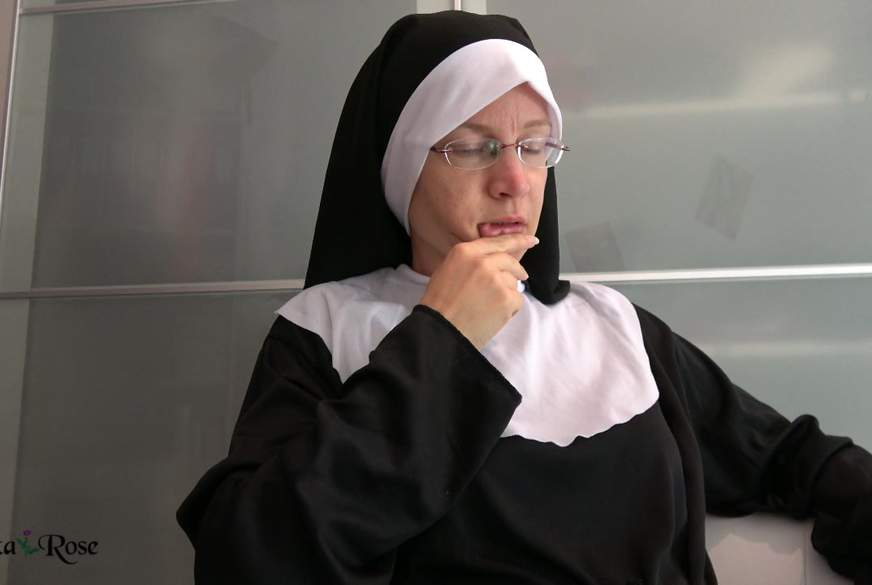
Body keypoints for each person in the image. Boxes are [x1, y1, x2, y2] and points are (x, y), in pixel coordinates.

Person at [176, 10, 872, 585]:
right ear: (401, 165)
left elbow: (788, 456)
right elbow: (253, 556)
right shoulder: (326, 329)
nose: (514, 179)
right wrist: (442, 337)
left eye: (534, 146)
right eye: (473, 148)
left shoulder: (611, 323)